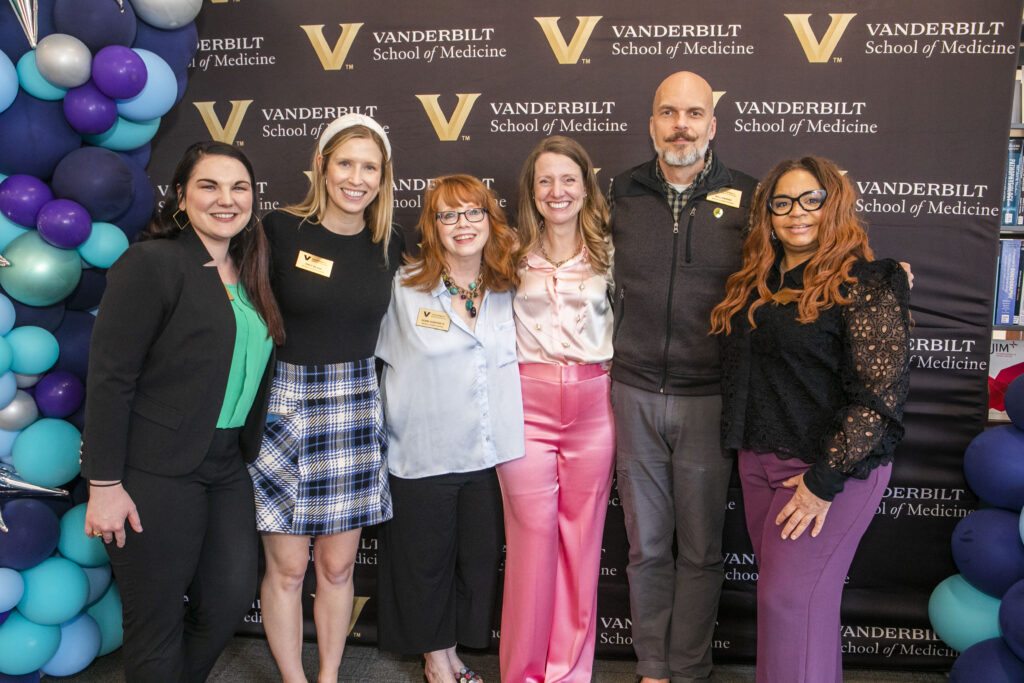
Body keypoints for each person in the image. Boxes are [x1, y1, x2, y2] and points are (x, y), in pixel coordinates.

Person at [82, 141, 284, 683]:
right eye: (209, 186)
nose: (226, 200)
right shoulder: (152, 263)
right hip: (153, 469)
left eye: (239, 187)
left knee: (228, 597)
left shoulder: (252, 269)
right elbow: (109, 378)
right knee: (155, 621)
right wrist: (104, 484)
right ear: (180, 195)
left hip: (225, 464)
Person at [710, 156, 910, 682]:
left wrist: (823, 482)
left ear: (834, 205)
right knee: (801, 611)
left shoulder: (869, 283)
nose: (795, 213)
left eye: (810, 200)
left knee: (788, 604)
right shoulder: (757, 281)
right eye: (782, 203)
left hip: (832, 470)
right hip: (760, 463)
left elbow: (878, 398)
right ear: (768, 215)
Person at [606, 70, 758, 683]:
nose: (681, 125)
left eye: (694, 113)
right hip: (633, 390)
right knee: (646, 549)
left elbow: (810, 255)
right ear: (651, 123)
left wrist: (879, 273)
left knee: (699, 550)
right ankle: (652, 669)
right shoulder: (618, 192)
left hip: (709, 398)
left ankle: (689, 670)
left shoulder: (752, 198)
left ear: (712, 124)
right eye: (668, 112)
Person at [246, 114, 402, 683]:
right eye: (345, 164)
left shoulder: (390, 239)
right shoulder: (279, 230)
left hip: (357, 404)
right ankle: (293, 678)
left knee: (337, 567)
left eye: (369, 167)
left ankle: (330, 675)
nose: (356, 178)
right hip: (286, 405)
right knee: (287, 567)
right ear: (321, 166)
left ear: (383, 177)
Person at [375, 174, 523, 683]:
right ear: (432, 227)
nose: (462, 224)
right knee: (426, 564)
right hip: (422, 453)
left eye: (473, 212)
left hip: (489, 455)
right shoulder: (403, 288)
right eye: (448, 214)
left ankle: (451, 649)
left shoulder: (510, 286)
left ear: (490, 219)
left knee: (475, 562)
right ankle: (437, 662)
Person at [497, 136, 614, 683]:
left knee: (581, 542)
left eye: (568, 179)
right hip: (526, 405)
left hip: (595, 408)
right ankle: (522, 673)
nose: (557, 191)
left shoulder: (612, 253)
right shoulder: (510, 252)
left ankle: (569, 673)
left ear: (585, 186)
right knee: (529, 544)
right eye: (545, 180)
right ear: (532, 190)